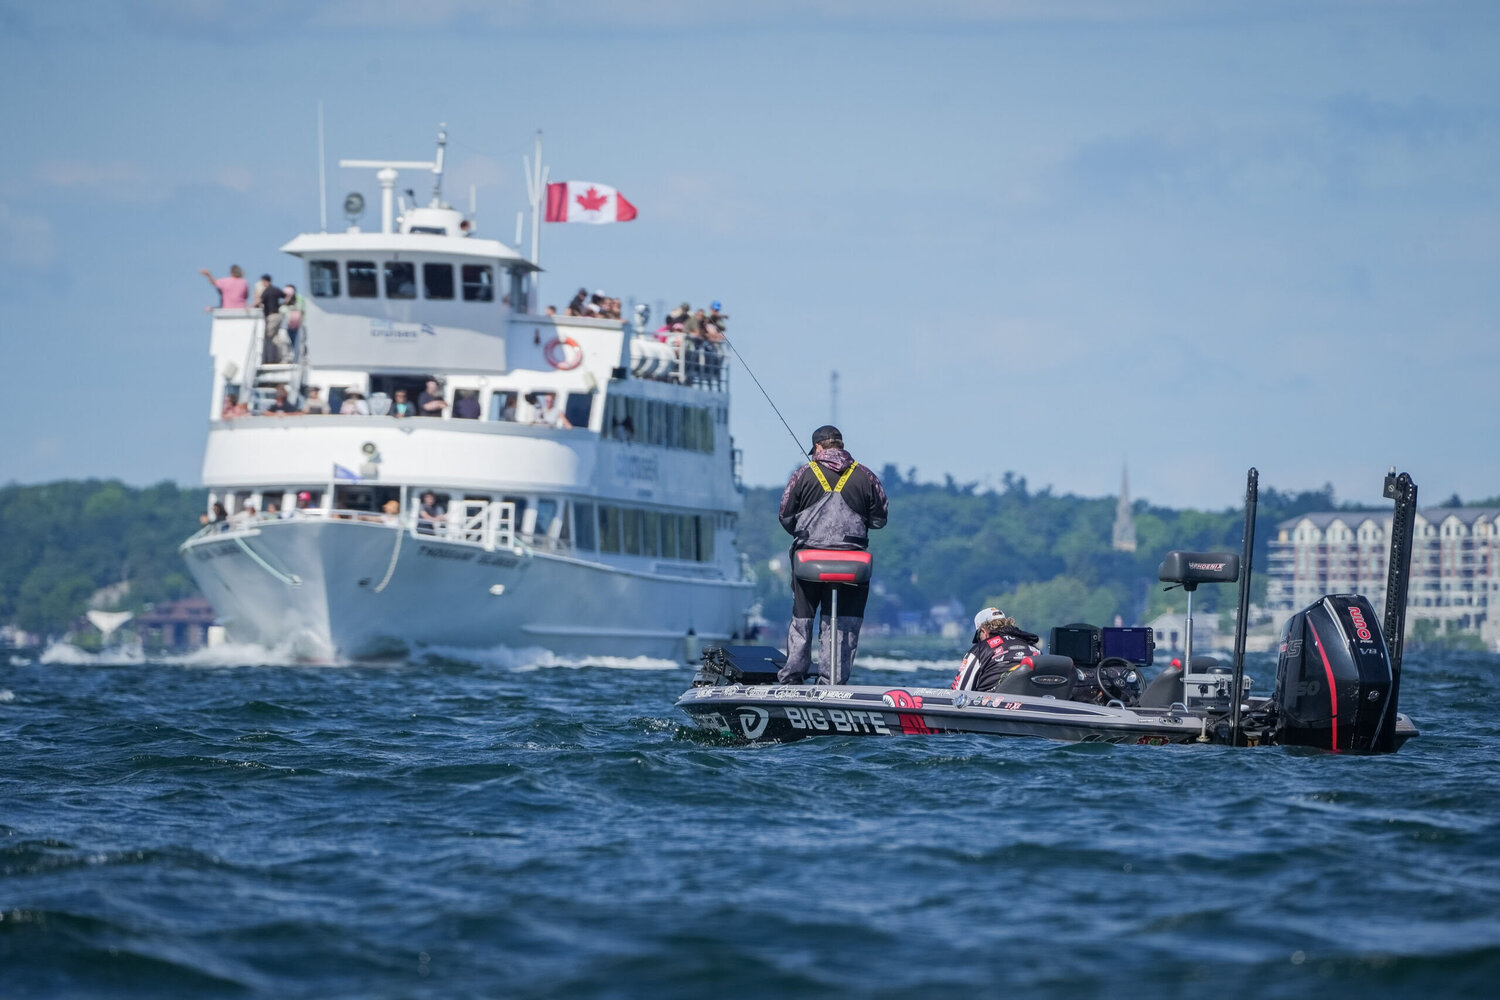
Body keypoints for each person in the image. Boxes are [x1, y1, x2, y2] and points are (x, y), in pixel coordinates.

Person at [776, 425, 889, 685]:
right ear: (841, 445)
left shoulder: (803, 474)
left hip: (809, 563)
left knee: (802, 618)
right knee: (844, 623)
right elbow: (880, 519)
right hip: (853, 563)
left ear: (817, 448)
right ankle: (833, 681)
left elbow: (785, 516)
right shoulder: (866, 476)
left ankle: (792, 676)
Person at [951, 608, 1043, 692]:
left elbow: (959, 692)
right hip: (1032, 701)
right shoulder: (1034, 649)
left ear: (983, 631)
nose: (979, 640)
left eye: (979, 637)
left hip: (993, 703)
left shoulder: (980, 649)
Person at [252, 275, 285, 364]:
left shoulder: (267, 291)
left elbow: (260, 301)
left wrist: (251, 306)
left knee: (268, 338)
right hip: (278, 316)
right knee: (275, 337)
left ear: (264, 281)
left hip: (271, 317)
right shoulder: (275, 289)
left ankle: (270, 360)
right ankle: (279, 358)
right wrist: (281, 305)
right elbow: (286, 296)